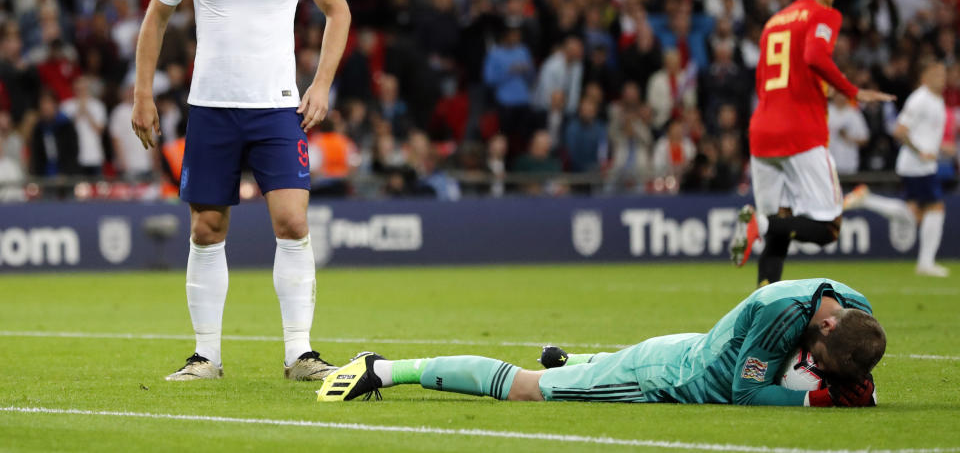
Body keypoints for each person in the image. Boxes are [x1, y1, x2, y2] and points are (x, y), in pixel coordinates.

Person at [130, 0, 351, 381]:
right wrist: (141, 94)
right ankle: (206, 357)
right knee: (206, 229)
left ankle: (299, 354)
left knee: (293, 221)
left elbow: (338, 12)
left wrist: (320, 86)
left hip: (277, 109)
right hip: (211, 108)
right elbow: (156, 19)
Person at [318, 278, 884, 408]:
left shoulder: (853, 310)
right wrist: (817, 398)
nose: (818, 368)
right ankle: (388, 367)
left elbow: (857, 354)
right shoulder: (783, 315)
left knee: (567, 370)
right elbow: (744, 394)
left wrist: (856, 381)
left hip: (691, 346)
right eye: (820, 361)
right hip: (667, 376)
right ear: (825, 328)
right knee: (528, 390)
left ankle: (573, 359)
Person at [731, 0, 894, 286]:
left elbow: (766, 82)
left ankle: (765, 304)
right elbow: (815, 55)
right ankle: (759, 225)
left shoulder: (773, 23)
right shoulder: (824, 14)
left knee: (782, 225)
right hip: (800, 132)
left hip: (762, 132)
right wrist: (852, 90)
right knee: (827, 228)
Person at [845, 60, 951, 277]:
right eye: (936, 73)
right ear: (924, 77)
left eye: (943, 73)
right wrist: (921, 151)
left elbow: (924, 133)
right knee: (936, 208)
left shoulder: (936, 99)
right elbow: (899, 131)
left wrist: (938, 147)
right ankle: (926, 263)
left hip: (923, 165)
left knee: (915, 215)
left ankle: (868, 200)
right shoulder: (919, 99)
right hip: (917, 166)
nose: (942, 77)